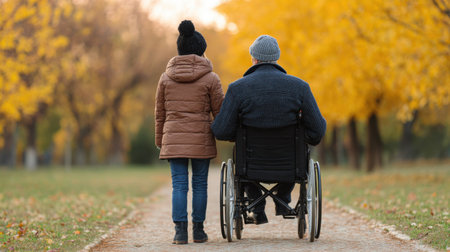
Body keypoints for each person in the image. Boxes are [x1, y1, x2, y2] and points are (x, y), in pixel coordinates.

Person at [211, 35, 326, 225]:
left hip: (250, 165)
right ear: (277, 58)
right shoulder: (300, 88)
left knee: (241, 151)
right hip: (289, 166)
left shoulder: (237, 89)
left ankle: (257, 207)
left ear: (253, 59)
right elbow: (318, 131)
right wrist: (302, 135)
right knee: (298, 150)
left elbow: (221, 130)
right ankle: (283, 199)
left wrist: (238, 133)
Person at [155, 20, 224, 244]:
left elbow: (160, 113)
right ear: (202, 50)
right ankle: (199, 231)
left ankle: (180, 233)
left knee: (179, 184)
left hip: (173, 137)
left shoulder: (165, 78)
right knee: (200, 183)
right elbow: (220, 111)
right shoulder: (211, 78)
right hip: (201, 138)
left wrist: (161, 140)